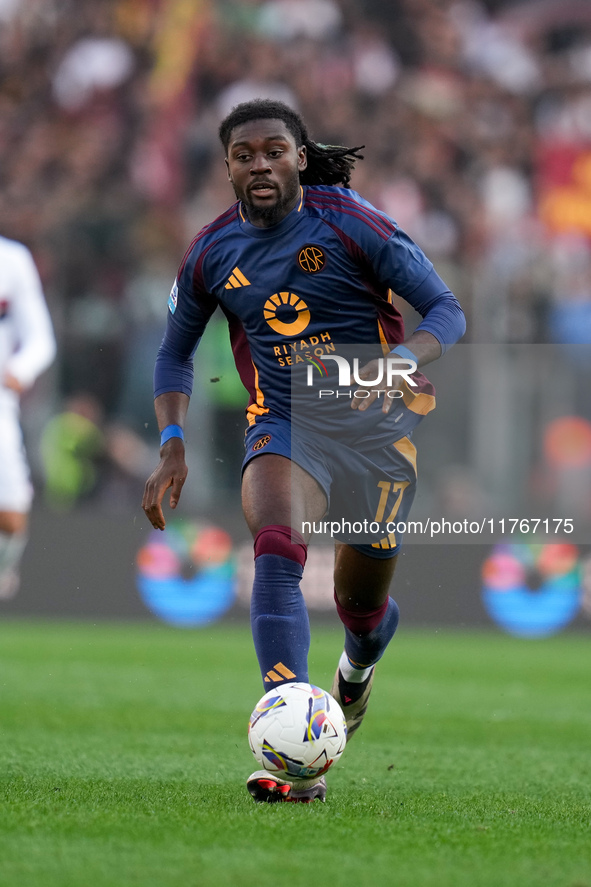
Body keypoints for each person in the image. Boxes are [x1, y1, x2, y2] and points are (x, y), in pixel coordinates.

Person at [142, 99, 466, 803]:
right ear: (226, 166)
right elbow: (173, 352)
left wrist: (400, 361)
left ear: (297, 155)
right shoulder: (210, 250)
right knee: (277, 545)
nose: (259, 163)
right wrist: (171, 443)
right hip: (284, 422)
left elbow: (446, 310)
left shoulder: (351, 221)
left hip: (376, 434)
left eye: (273, 150)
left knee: (362, 608)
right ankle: (294, 748)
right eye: (243, 154)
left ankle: (354, 670)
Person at [0, 235, 56, 599]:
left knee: (11, 513)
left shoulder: (12, 258)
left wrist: (19, 368)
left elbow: (41, 339)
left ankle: (4, 571)